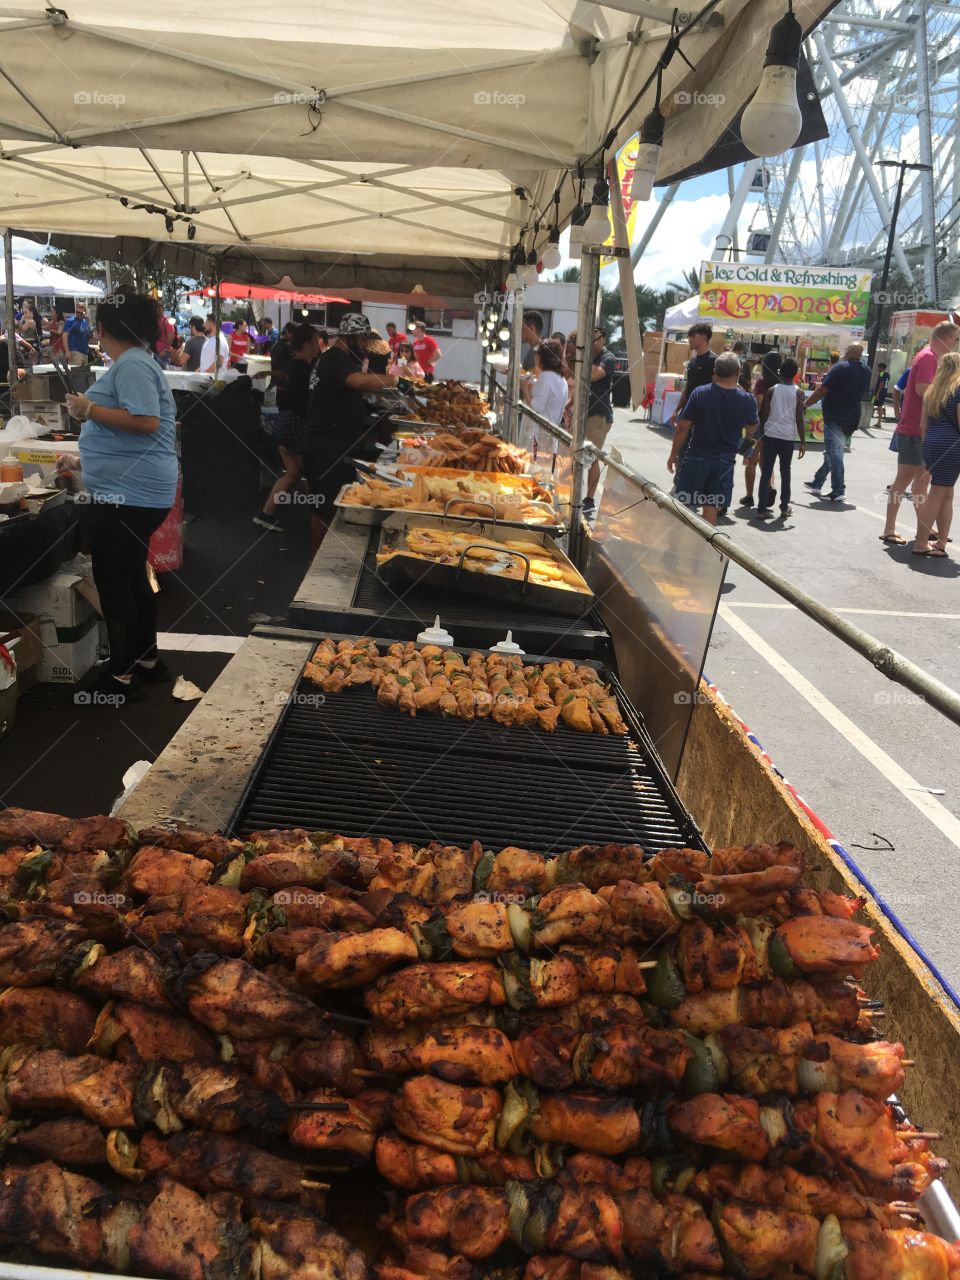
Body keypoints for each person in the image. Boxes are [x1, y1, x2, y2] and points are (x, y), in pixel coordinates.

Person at [60, 294, 177, 705]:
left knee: (114, 579)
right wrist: (85, 456)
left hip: (130, 495)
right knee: (130, 575)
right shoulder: (139, 361)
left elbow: (146, 421)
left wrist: (89, 409)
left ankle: (122, 674)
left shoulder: (131, 364)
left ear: (103, 329)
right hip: (134, 490)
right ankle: (146, 661)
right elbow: (131, 428)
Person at [302, 314, 399, 550]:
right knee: (324, 506)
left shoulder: (333, 358)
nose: (366, 345)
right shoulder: (336, 358)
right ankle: (317, 559)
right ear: (352, 336)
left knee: (325, 503)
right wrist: (395, 381)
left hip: (329, 442)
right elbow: (357, 382)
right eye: (363, 339)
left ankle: (321, 555)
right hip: (325, 445)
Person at [880, 322, 959, 543]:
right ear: (948, 339)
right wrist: (948, 392)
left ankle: (924, 528)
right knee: (904, 481)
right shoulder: (928, 357)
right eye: (956, 339)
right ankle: (889, 528)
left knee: (919, 483)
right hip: (915, 430)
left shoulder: (929, 357)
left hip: (919, 430)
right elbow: (922, 389)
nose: (956, 345)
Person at [669, 352, 759, 526]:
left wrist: (673, 455)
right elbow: (752, 428)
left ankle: (680, 545)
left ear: (715, 371)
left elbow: (682, 427)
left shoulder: (700, 393)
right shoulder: (747, 400)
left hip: (696, 458)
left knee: (684, 506)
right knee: (711, 509)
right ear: (738, 372)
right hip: (724, 464)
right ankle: (705, 549)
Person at [254, 323, 321, 532]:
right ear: (309, 343)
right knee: (312, 475)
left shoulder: (292, 364)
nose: (319, 346)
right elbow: (304, 402)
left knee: (292, 474)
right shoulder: (306, 369)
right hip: (296, 425)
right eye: (317, 341)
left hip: (282, 424)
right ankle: (318, 521)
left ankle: (265, 514)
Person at [804, 342, 871, 502]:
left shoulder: (840, 368)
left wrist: (805, 404)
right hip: (853, 415)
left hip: (836, 416)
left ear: (847, 352)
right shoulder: (866, 371)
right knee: (833, 451)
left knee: (835, 453)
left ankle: (838, 489)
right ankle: (817, 482)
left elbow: (822, 390)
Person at [913, 352, 960, 557]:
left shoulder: (932, 391)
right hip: (951, 445)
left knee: (945, 494)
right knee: (938, 494)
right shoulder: (957, 390)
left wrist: (927, 450)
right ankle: (922, 542)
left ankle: (941, 541)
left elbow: (923, 425)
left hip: (932, 443)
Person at [755, 357, 806, 519]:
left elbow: (764, 416)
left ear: (780, 372)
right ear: (796, 374)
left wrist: (761, 432)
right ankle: (784, 506)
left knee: (766, 472)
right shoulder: (799, 393)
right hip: (787, 438)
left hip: (770, 435)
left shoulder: (772, 390)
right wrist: (803, 442)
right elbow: (799, 419)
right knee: (786, 471)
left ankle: (761, 508)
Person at [740, 351, 781, 509]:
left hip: (759, 425)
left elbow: (758, 403)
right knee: (767, 462)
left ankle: (749, 496)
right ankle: (768, 489)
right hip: (775, 426)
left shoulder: (762, 382)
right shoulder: (782, 383)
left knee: (750, 460)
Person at [583, 326, 617, 511]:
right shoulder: (592, 357)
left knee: (592, 456)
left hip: (598, 414)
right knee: (583, 455)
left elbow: (594, 375)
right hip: (586, 413)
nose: (592, 343)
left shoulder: (607, 358)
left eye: (595, 339)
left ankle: (589, 499)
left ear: (603, 339)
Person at [672, 323, 716, 427]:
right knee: (680, 440)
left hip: (703, 413)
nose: (689, 339)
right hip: (687, 410)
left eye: (693, 336)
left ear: (704, 337)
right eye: (689, 336)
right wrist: (676, 410)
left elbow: (716, 388)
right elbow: (686, 388)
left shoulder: (713, 361)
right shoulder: (692, 362)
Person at [521, 339, 568, 425]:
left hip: (540, 433)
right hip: (552, 431)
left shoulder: (546, 377)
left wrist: (524, 388)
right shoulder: (562, 380)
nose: (535, 356)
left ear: (543, 357)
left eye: (538, 353)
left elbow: (537, 407)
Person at [873, 362, 890, 426]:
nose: (878, 368)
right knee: (879, 405)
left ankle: (879, 422)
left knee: (879, 406)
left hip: (880, 392)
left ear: (881, 368)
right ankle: (879, 421)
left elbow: (882, 383)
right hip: (884, 392)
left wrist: (878, 392)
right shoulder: (887, 374)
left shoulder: (882, 374)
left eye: (878, 367)